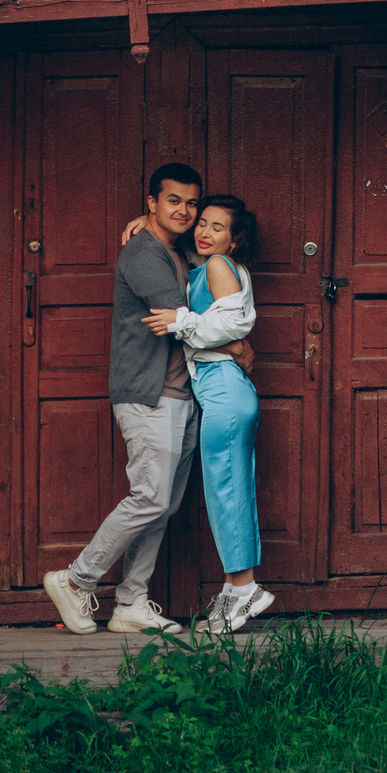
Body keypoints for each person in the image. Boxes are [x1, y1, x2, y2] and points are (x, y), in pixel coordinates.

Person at [42, 162, 203, 636]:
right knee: (150, 496)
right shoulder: (143, 254)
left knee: (164, 503)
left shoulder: (176, 251)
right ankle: (75, 579)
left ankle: (131, 600)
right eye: (173, 200)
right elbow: (180, 314)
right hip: (147, 395)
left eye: (192, 202)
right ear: (151, 202)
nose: (185, 210)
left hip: (181, 394)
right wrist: (236, 341)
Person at [145, 194, 271, 632]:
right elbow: (228, 332)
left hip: (226, 393)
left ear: (233, 241)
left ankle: (247, 588)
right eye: (202, 223)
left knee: (228, 490)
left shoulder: (218, 266)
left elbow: (235, 323)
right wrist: (139, 221)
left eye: (218, 227)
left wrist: (180, 323)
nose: (204, 231)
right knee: (227, 491)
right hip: (220, 390)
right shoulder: (204, 266)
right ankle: (236, 589)